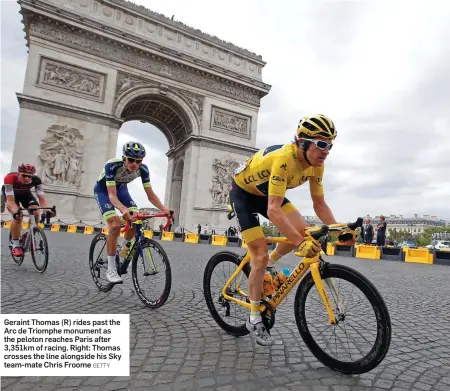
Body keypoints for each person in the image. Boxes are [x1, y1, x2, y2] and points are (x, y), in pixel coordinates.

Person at [230, 114, 354, 346]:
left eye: (330, 144)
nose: (327, 150)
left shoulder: (317, 165)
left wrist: (340, 230)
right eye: (322, 144)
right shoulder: (285, 159)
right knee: (260, 254)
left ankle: (270, 266)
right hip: (244, 195)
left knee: (303, 230)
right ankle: (254, 317)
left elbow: (320, 205)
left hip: (267, 193)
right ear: (303, 143)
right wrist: (298, 243)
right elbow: (274, 211)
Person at [94, 141, 172, 284]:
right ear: (124, 158)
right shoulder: (112, 165)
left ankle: (122, 251)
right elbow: (112, 196)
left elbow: (151, 195)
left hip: (122, 190)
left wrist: (164, 209)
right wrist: (123, 209)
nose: (134, 164)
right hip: (104, 191)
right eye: (131, 160)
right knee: (115, 225)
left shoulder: (143, 169)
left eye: (138, 161)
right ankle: (111, 269)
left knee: (136, 220)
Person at [2, 163, 54, 257]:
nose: (26, 178)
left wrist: (47, 210)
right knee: (18, 217)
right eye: (24, 175)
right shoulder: (9, 178)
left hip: (25, 194)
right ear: (18, 173)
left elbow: (41, 198)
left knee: (36, 211)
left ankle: (31, 233)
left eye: (29, 176)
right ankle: (16, 245)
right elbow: (10, 201)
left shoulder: (36, 180)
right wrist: (15, 212)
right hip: (12, 196)